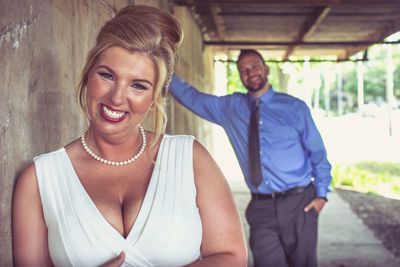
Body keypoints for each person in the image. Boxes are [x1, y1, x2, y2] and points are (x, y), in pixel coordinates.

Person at [12, 5, 247, 267]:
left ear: (155, 97)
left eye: (138, 85)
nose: (117, 97)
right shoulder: (39, 179)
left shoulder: (190, 158)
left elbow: (232, 257)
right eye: (107, 76)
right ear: (88, 74)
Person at [169, 49, 332, 267]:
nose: (250, 72)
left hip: (300, 203)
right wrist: (161, 66)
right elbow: (191, 97)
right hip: (261, 207)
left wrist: (321, 196)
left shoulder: (294, 108)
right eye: (243, 70)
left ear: (266, 69)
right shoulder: (229, 108)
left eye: (255, 66)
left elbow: (318, 154)